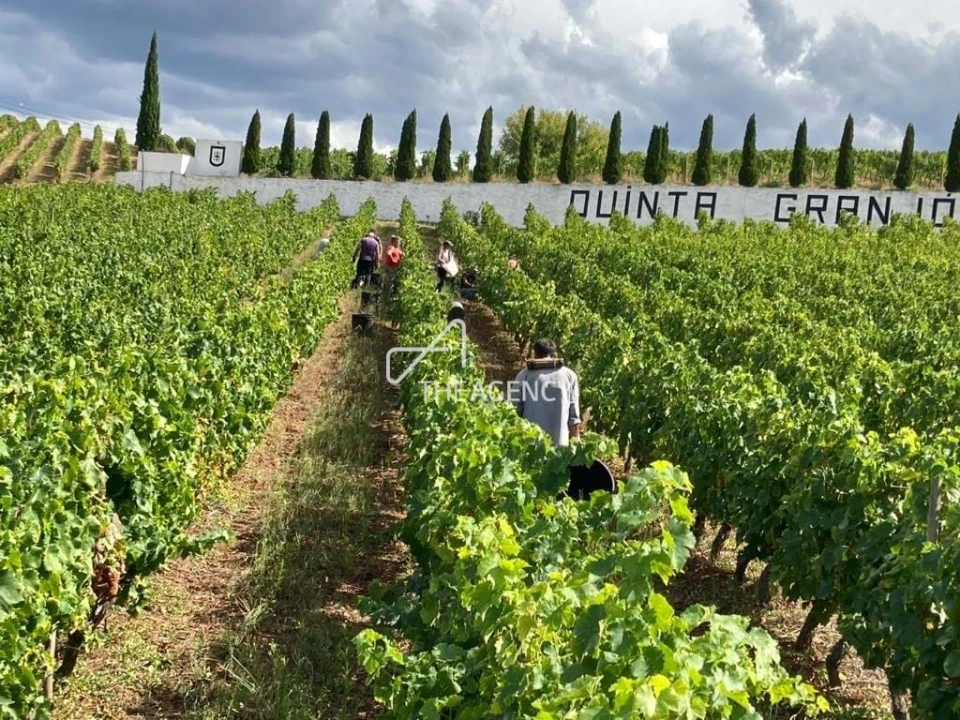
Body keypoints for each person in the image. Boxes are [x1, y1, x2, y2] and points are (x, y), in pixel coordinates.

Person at [511, 338, 581, 447]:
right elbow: (574, 419)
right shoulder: (569, 376)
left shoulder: (524, 375)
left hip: (530, 448)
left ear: (535, 355)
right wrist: (575, 449)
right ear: (555, 355)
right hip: (559, 448)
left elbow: (515, 411)